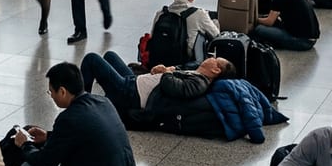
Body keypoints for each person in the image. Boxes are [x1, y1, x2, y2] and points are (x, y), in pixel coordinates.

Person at [14, 62, 137, 166]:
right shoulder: (103, 102)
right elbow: (83, 136)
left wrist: (25, 144)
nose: (51, 96)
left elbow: (44, 162)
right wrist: (49, 136)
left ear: (62, 91)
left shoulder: (69, 118)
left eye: (51, 92)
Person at [79, 51, 232, 117]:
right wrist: (168, 69)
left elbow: (175, 88)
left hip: (132, 94)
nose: (211, 57)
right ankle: (108, 99)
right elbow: (178, 70)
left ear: (216, 70)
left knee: (92, 59)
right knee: (110, 56)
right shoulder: (196, 71)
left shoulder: (200, 83)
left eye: (215, 59)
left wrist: (166, 72)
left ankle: (82, 105)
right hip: (135, 81)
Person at [251, 0, 319, 51]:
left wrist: (253, 18)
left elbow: (269, 22)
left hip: (301, 41)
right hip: (311, 38)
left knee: (258, 29)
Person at [150, 0, 220, 61]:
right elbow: (216, 36)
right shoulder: (199, 14)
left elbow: (152, 36)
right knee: (215, 24)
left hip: (158, 59)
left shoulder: (161, 14)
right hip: (186, 62)